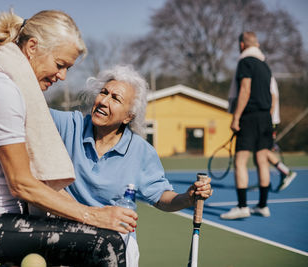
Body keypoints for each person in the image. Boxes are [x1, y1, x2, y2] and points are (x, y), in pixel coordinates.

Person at [0, 10, 137, 267]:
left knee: (93, 237)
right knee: (105, 244)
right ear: (32, 47)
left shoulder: (11, 89)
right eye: (60, 65)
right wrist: (93, 215)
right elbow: (21, 184)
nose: (63, 76)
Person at [43, 65, 213, 266]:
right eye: (103, 92)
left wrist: (188, 197)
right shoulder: (70, 125)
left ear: (128, 116)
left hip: (114, 238)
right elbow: (30, 108)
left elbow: (161, 197)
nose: (104, 101)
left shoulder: (141, 151)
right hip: (66, 231)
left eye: (115, 98)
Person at [222, 32, 274, 219]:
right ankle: (262, 206)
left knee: (240, 161)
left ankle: (243, 206)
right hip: (266, 118)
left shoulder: (245, 62)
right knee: (262, 161)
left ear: (242, 45)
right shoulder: (265, 66)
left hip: (249, 116)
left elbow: (245, 89)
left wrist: (236, 117)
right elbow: (272, 95)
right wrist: (270, 120)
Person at [267, 78, 297, 191]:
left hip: (269, 122)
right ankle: (264, 182)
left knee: (263, 152)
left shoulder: (267, 77)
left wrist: (267, 120)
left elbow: (273, 98)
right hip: (269, 121)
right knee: (260, 154)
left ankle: (287, 172)